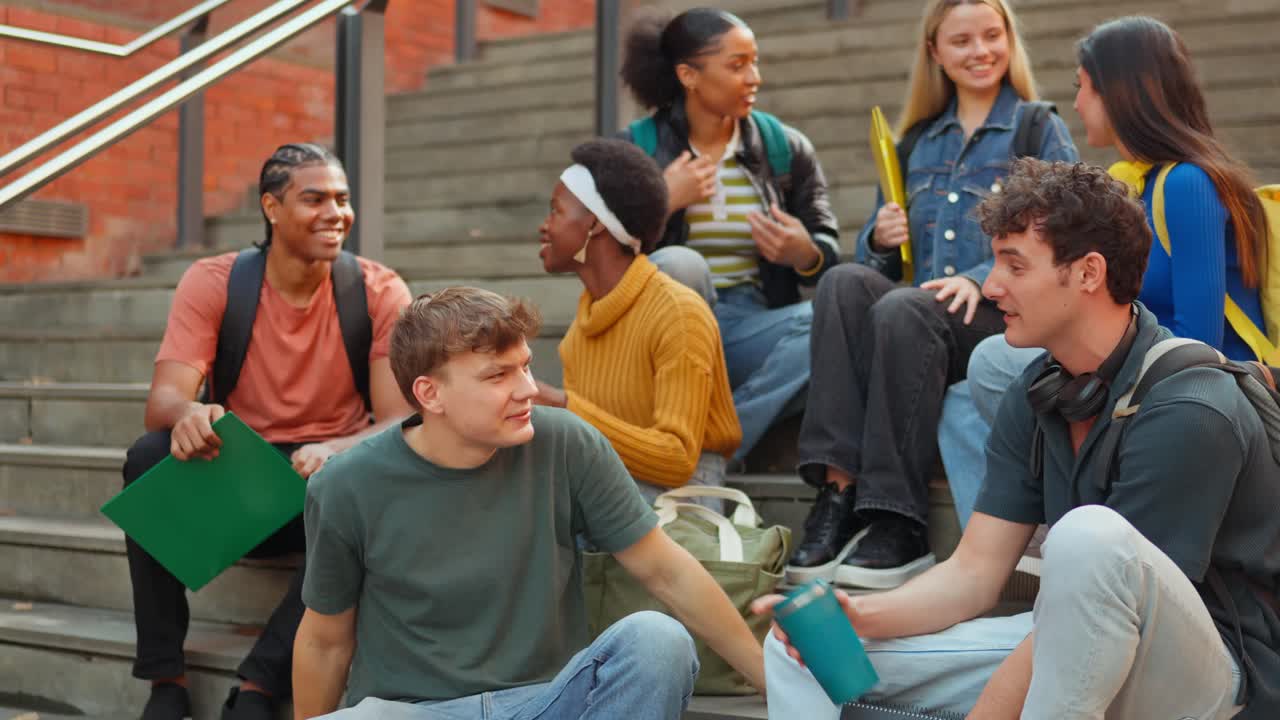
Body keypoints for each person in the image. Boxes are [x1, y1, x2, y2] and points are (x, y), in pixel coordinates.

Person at [757, 158, 1279, 720]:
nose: (991, 285)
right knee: (801, 649)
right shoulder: (1041, 390)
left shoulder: (1190, 408)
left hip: (1218, 676)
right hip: (1073, 638)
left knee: (1087, 538)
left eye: (1014, 265)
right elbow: (973, 575)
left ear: (1088, 273)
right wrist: (860, 616)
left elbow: (1109, 611)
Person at [292, 287, 768, 719]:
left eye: (524, 366)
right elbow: (325, 641)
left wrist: (775, 684)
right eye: (498, 375)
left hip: (548, 702)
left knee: (658, 640)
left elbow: (669, 572)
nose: (527, 389)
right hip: (412, 711)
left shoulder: (565, 443)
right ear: (429, 393)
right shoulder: (346, 484)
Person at [786, 0, 1077, 589]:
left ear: (1009, 41)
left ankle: (898, 520)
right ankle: (838, 493)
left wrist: (978, 275)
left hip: (999, 321)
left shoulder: (1035, 126)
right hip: (913, 326)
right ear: (935, 52)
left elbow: (1070, 225)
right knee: (844, 280)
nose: (980, 52)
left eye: (992, 36)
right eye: (962, 41)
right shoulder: (915, 141)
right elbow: (879, 263)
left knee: (905, 305)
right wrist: (880, 239)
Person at [940, 15, 1270, 528]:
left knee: (989, 361)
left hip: (1206, 394)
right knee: (959, 404)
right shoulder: (1127, 183)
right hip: (1132, 361)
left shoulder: (1188, 185)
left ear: (1122, 93)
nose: (1075, 104)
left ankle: (1065, 534)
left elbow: (1202, 349)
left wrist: (1096, 362)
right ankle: (1009, 552)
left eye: (1083, 89)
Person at [121, 143, 413, 720]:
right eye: (316, 199)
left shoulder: (378, 291)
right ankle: (166, 679)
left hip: (324, 489)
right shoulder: (216, 282)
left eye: (343, 199)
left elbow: (400, 421)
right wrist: (189, 415)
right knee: (147, 457)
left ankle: (259, 685)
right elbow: (164, 398)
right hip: (243, 479)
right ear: (272, 208)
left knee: (372, 487)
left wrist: (337, 448)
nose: (336, 213)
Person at [618, 7, 840, 462]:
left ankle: (716, 444)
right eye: (737, 65)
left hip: (749, 325)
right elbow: (596, 253)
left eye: (754, 61)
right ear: (688, 75)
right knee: (681, 264)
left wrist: (806, 255)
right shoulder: (636, 149)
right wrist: (662, 200)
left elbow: (826, 247)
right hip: (661, 333)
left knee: (833, 320)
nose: (753, 77)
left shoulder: (784, 147)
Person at [531, 138, 741, 504]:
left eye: (556, 211)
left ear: (594, 223)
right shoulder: (579, 334)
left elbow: (676, 459)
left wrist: (564, 409)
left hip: (688, 492)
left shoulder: (678, 313)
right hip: (615, 478)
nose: (544, 227)